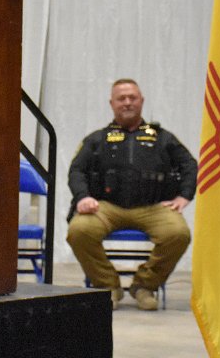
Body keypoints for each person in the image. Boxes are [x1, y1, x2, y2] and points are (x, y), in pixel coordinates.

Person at [66, 79, 197, 311]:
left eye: (132, 98)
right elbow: (76, 170)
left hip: (153, 207)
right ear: (112, 103)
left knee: (178, 234)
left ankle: (144, 286)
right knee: (79, 231)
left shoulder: (162, 138)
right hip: (106, 208)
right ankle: (108, 287)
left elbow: (189, 165)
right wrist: (83, 197)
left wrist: (184, 196)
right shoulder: (97, 139)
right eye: (121, 99)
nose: (127, 103)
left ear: (141, 101)